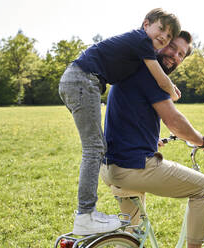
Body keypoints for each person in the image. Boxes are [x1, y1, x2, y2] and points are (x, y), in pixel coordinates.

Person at [58, 8, 182, 235]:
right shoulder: (141, 41)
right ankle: (85, 215)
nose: (164, 36)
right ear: (146, 24)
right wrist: (172, 91)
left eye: (169, 35)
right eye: (161, 29)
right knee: (94, 147)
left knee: (96, 146)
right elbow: (160, 79)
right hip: (82, 80)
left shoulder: (139, 48)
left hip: (80, 81)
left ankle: (87, 214)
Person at [100, 31, 204, 248]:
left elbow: (130, 116)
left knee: (130, 235)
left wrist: (150, 140)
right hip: (134, 167)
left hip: (111, 167)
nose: (175, 56)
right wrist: (203, 141)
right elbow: (174, 121)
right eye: (172, 47)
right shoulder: (149, 74)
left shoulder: (132, 69)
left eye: (181, 54)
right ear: (158, 43)